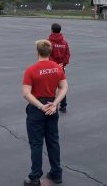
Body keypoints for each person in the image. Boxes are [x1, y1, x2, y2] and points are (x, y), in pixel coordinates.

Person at [22, 40, 68, 186]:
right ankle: (56, 173)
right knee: (53, 141)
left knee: (36, 143)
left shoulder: (31, 70)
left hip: (38, 108)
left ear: (37, 52)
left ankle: (35, 176)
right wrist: (55, 103)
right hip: (51, 107)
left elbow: (26, 93)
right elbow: (64, 87)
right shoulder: (57, 68)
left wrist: (41, 107)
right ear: (50, 52)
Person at [48, 23, 71, 113]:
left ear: (52, 30)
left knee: (50, 88)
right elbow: (67, 54)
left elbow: (48, 55)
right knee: (62, 87)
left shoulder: (48, 42)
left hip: (51, 68)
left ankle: (52, 105)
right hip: (61, 68)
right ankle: (63, 105)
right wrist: (63, 64)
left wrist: (54, 65)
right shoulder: (64, 42)